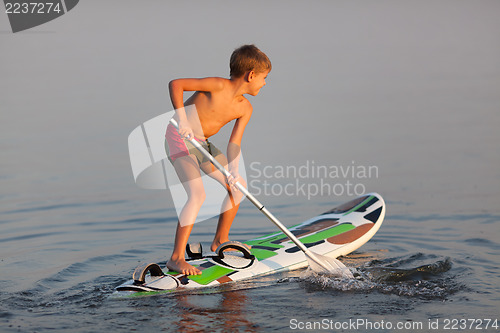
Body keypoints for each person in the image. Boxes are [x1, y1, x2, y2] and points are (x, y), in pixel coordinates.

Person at [165, 44, 271, 275]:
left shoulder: (245, 108)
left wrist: (234, 170)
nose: (264, 83)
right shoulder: (217, 85)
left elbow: (234, 143)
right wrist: (182, 119)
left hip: (202, 144)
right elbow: (176, 84)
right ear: (250, 75)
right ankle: (176, 257)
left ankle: (220, 241)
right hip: (180, 139)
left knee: (238, 186)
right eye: (264, 78)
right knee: (197, 194)